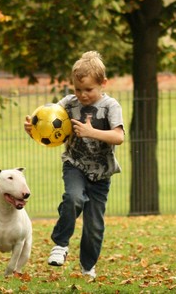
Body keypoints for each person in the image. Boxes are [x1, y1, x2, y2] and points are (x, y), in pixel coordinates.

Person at [24, 51, 125, 278]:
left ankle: (88, 266)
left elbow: (118, 137)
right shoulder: (68, 104)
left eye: (88, 89)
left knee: (94, 226)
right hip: (75, 165)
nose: (82, 95)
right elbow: (49, 125)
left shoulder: (111, 106)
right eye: (78, 89)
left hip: (101, 174)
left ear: (103, 83)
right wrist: (32, 129)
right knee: (73, 198)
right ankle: (60, 244)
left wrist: (91, 132)